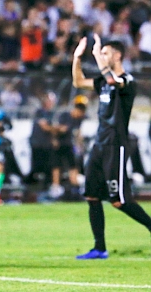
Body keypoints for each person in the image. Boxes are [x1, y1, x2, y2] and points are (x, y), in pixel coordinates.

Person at [72, 35, 151, 259]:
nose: (103, 57)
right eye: (101, 53)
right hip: (99, 143)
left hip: (116, 144)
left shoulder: (127, 81)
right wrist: (77, 58)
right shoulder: (103, 83)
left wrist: (97, 57)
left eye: (106, 53)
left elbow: (113, 81)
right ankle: (99, 248)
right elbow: (79, 82)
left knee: (118, 200)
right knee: (92, 196)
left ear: (117, 56)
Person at [51, 98, 87, 200]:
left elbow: (78, 132)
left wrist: (80, 144)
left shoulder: (78, 120)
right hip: (60, 144)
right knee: (57, 166)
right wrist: (58, 133)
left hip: (69, 145)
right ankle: (56, 187)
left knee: (73, 166)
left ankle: (75, 187)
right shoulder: (65, 116)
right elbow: (55, 128)